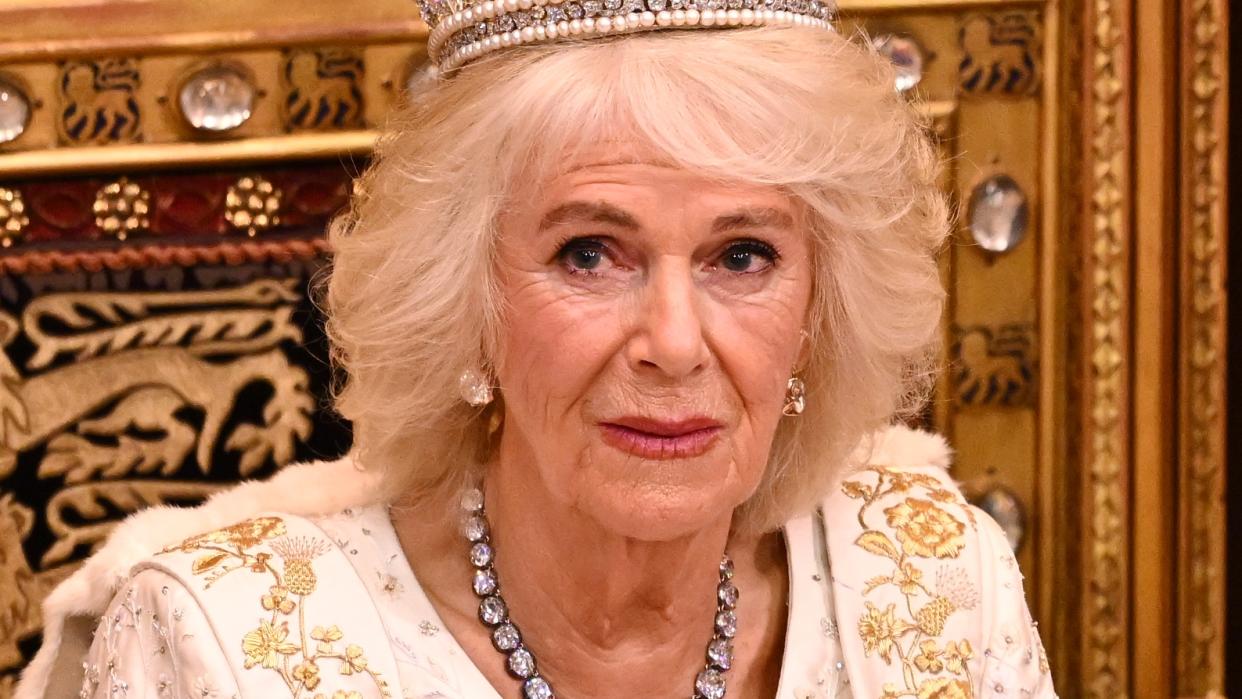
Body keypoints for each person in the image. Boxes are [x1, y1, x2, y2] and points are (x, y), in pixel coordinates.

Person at [18, 4, 1057, 697]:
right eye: (590, 253)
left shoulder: (939, 584)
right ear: (465, 299)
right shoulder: (223, 648)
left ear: (817, 311)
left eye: (742, 255)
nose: (674, 342)